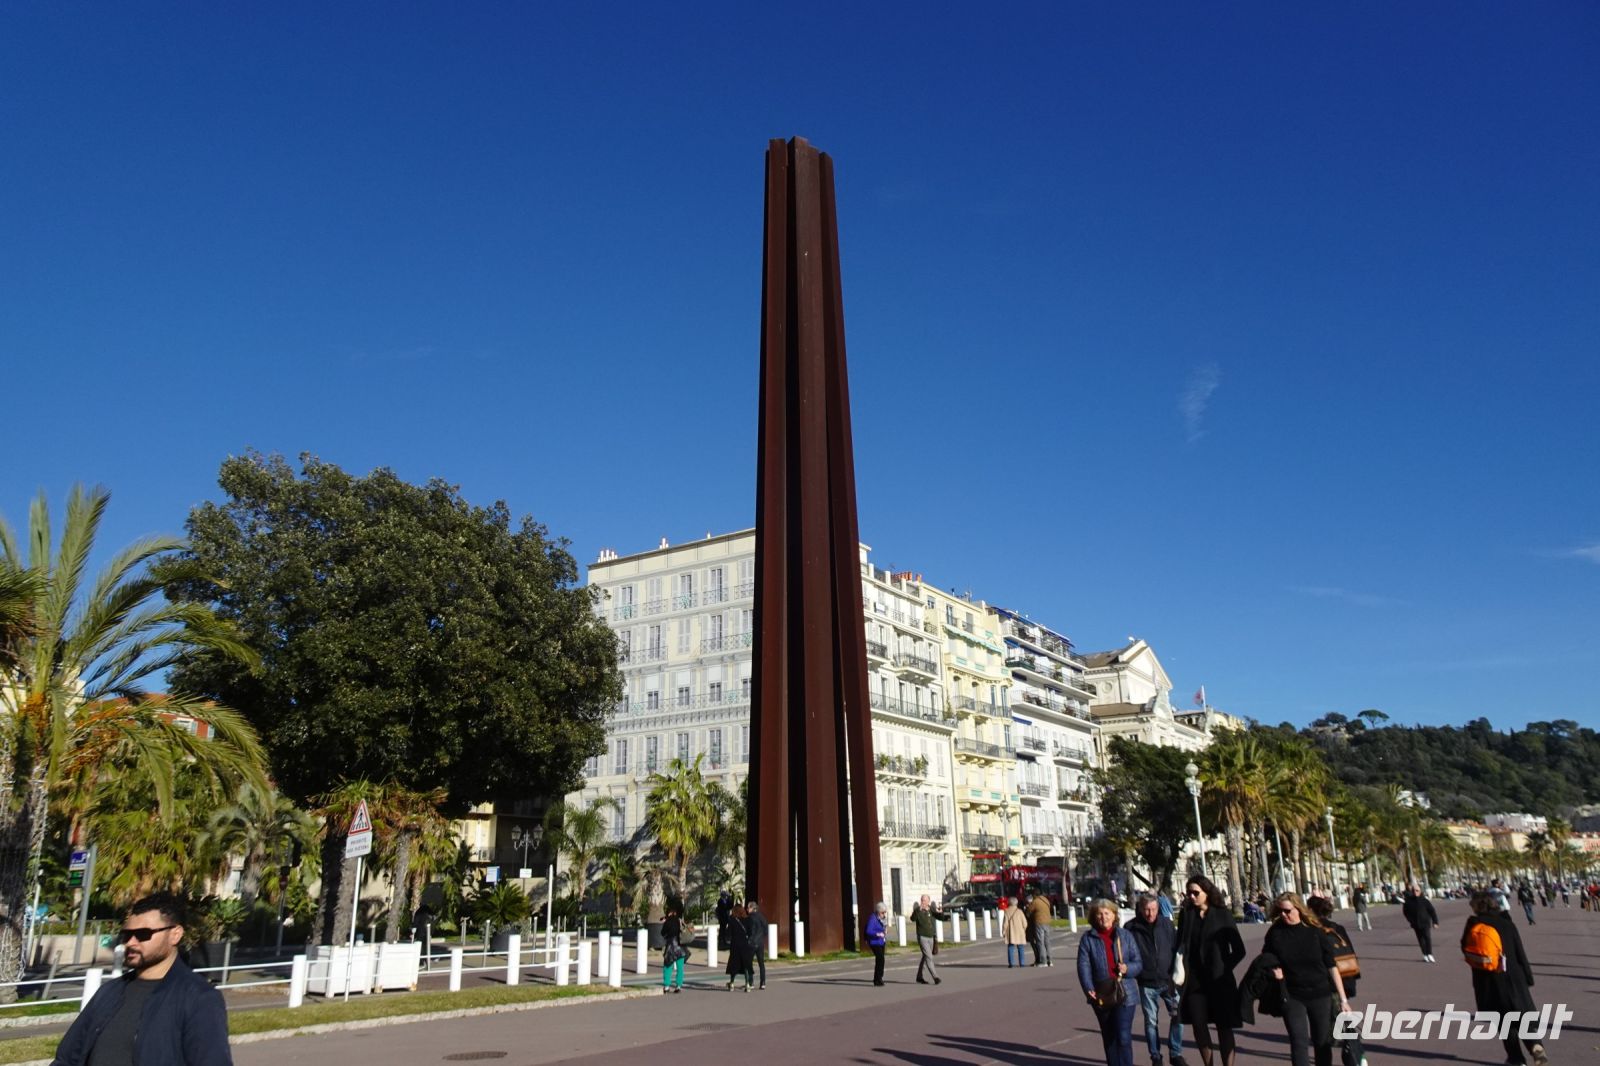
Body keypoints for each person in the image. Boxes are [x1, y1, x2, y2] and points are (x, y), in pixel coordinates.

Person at [51, 892, 231, 1066]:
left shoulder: (199, 998)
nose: (131, 942)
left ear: (175, 934)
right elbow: (67, 1058)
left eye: (143, 934)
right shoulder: (109, 992)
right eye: (127, 935)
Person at [1462, 890, 1549, 1066]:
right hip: (1513, 976)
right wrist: (1528, 977)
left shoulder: (1474, 924)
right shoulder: (1507, 923)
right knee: (1521, 1016)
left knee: (1503, 1021)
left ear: (1477, 906)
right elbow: (1519, 952)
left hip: (1488, 979)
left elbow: (1465, 948)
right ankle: (1536, 1046)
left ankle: (1516, 1059)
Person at [1263, 892, 1351, 1066]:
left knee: (1322, 1042)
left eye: (1287, 911)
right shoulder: (1275, 933)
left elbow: (1331, 965)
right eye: (1280, 911)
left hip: (1320, 994)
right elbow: (1266, 958)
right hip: (1292, 994)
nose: (1283, 915)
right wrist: (1273, 971)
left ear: (1298, 909)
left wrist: (1343, 1000)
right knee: (1298, 1042)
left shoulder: (1315, 931)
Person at [1177, 875, 1245, 1066]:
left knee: (1224, 1026)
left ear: (1207, 892)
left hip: (1219, 980)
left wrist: (1224, 967)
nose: (1191, 896)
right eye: (1189, 893)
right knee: (1198, 1024)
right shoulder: (1186, 915)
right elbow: (1179, 945)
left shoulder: (1222, 914)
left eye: (1195, 892)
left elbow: (1239, 950)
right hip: (1194, 980)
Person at [1077, 898, 1144, 1066]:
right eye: (1099, 914)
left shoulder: (1125, 936)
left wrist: (1127, 968)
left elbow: (1138, 963)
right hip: (1101, 993)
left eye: (1107, 913)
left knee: (1123, 1035)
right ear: (1094, 917)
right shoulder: (1088, 939)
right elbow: (1083, 966)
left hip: (1125, 991)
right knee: (1109, 1036)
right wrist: (1088, 988)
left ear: (1114, 915)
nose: (1103, 917)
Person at [1127, 893, 1186, 1066]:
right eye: (1146, 909)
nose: (1150, 913)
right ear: (1140, 909)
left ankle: (1175, 1053)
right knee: (1151, 1022)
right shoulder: (1131, 928)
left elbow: (1176, 948)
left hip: (1168, 980)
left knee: (1178, 1017)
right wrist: (1137, 973)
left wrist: (1177, 972)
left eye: (1153, 909)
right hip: (1147, 983)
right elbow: (1129, 954)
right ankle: (1155, 1057)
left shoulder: (1166, 924)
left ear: (1158, 908)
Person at [1307, 894, 1365, 1066]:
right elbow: (1350, 953)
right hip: (1345, 979)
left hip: (1326, 983)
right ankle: (1356, 1052)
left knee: (1325, 1028)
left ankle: (1352, 1054)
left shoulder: (1312, 930)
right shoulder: (1337, 928)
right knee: (1342, 1018)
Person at [910, 895, 945, 985]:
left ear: (928, 901)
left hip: (931, 936)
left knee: (925, 957)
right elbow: (912, 919)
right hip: (922, 936)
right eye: (922, 900)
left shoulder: (931, 909)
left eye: (925, 900)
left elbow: (941, 918)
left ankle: (919, 977)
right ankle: (935, 977)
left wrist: (941, 912)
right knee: (929, 957)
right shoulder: (918, 910)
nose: (923, 902)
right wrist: (918, 910)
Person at [1401, 884, 1439, 962]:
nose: (1415, 892)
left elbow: (1432, 911)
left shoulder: (1425, 901)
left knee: (1427, 937)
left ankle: (1430, 954)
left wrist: (1435, 922)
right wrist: (1410, 920)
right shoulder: (1408, 901)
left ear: (1420, 891)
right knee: (1421, 939)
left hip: (1425, 922)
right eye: (1414, 891)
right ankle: (1425, 954)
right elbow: (1405, 912)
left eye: (1417, 890)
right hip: (1416, 923)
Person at [661, 904, 691, 993]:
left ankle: (666, 986)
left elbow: (663, 933)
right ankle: (678, 986)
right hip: (680, 947)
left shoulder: (667, 922)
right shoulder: (679, 920)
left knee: (667, 966)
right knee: (680, 967)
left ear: (669, 913)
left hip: (671, 947)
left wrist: (665, 923)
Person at [724, 902, 754, 991]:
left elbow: (728, 933)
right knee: (745, 964)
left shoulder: (732, 920)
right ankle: (747, 984)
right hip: (745, 944)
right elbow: (750, 932)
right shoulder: (748, 920)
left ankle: (732, 983)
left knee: (734, 964)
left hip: (735, 945)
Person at [745, 899, 769, 990]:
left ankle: (751, 982)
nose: (747, 909)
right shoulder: (761, 917)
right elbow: (766, 929)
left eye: (748, 908)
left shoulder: (749, 918)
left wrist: (748, 938)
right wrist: (762, 937)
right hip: (760, 943)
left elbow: (747, 930)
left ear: (752, 908)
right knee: (761, 963)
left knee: (749, 963)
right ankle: (763, 982)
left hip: (751, 942)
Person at [1026, 890, 1054, 966]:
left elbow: (1028, 912)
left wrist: (1028, 906)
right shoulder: (1046, 900)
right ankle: (1049, 960)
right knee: (1047, 941)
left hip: (1039, 922)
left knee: (1040, 941)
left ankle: (1043, 961)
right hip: (1047, 922)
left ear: (1034, 895)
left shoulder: (1035, 901)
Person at [865, 902, 889, 986]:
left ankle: (879, 978)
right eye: (882, 912)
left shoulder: (882, 918)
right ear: (878, 911)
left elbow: (883, 926)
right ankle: (877, 979)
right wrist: (877, 934)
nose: (884, 914)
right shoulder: (873, 918)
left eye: (885, 912)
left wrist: (885, 930)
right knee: (880, 959)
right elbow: (869, 931)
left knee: (881, 960)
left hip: (881, 941)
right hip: (874, 942)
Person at [1003, 894, 1029, 967]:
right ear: (1016, 903)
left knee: (1011, 947)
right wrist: (1023, 929)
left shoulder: (1007, 911)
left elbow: (1005, 923)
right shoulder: (1020, 911)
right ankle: (1022, 963)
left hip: (1011, 932)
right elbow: (1025, 923)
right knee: (1021, 947)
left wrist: (1004, 931)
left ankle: (1011, 963)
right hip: (1020, 932)